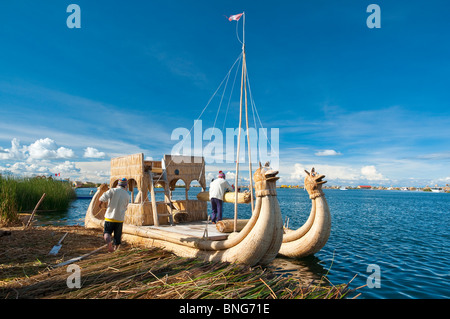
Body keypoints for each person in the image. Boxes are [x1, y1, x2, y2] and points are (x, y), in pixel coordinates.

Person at [98, 178, 130, 252]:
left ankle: (109, 243)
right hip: (119, 219)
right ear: (125, 186)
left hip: (109, 217)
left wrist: (100, 205)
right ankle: (115, 249)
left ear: (118, 184)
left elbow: (102, 198)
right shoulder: (127, 195)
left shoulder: (112, 190)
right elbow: (125, 207)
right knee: (117, 236)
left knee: (107, 232)